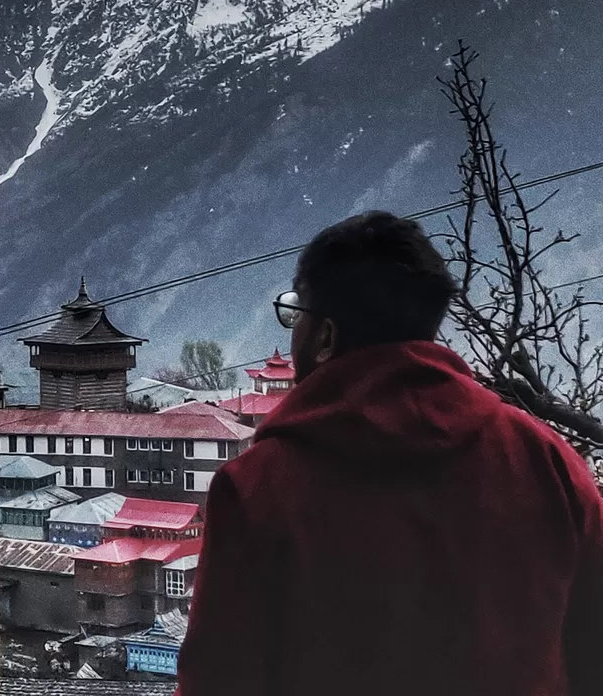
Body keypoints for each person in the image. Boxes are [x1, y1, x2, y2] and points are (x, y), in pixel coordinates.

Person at [176, 210, 603, 696]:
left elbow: (218, 680)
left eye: (296, 314)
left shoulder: (258, 489)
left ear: (325, 336)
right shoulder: (547, 462)